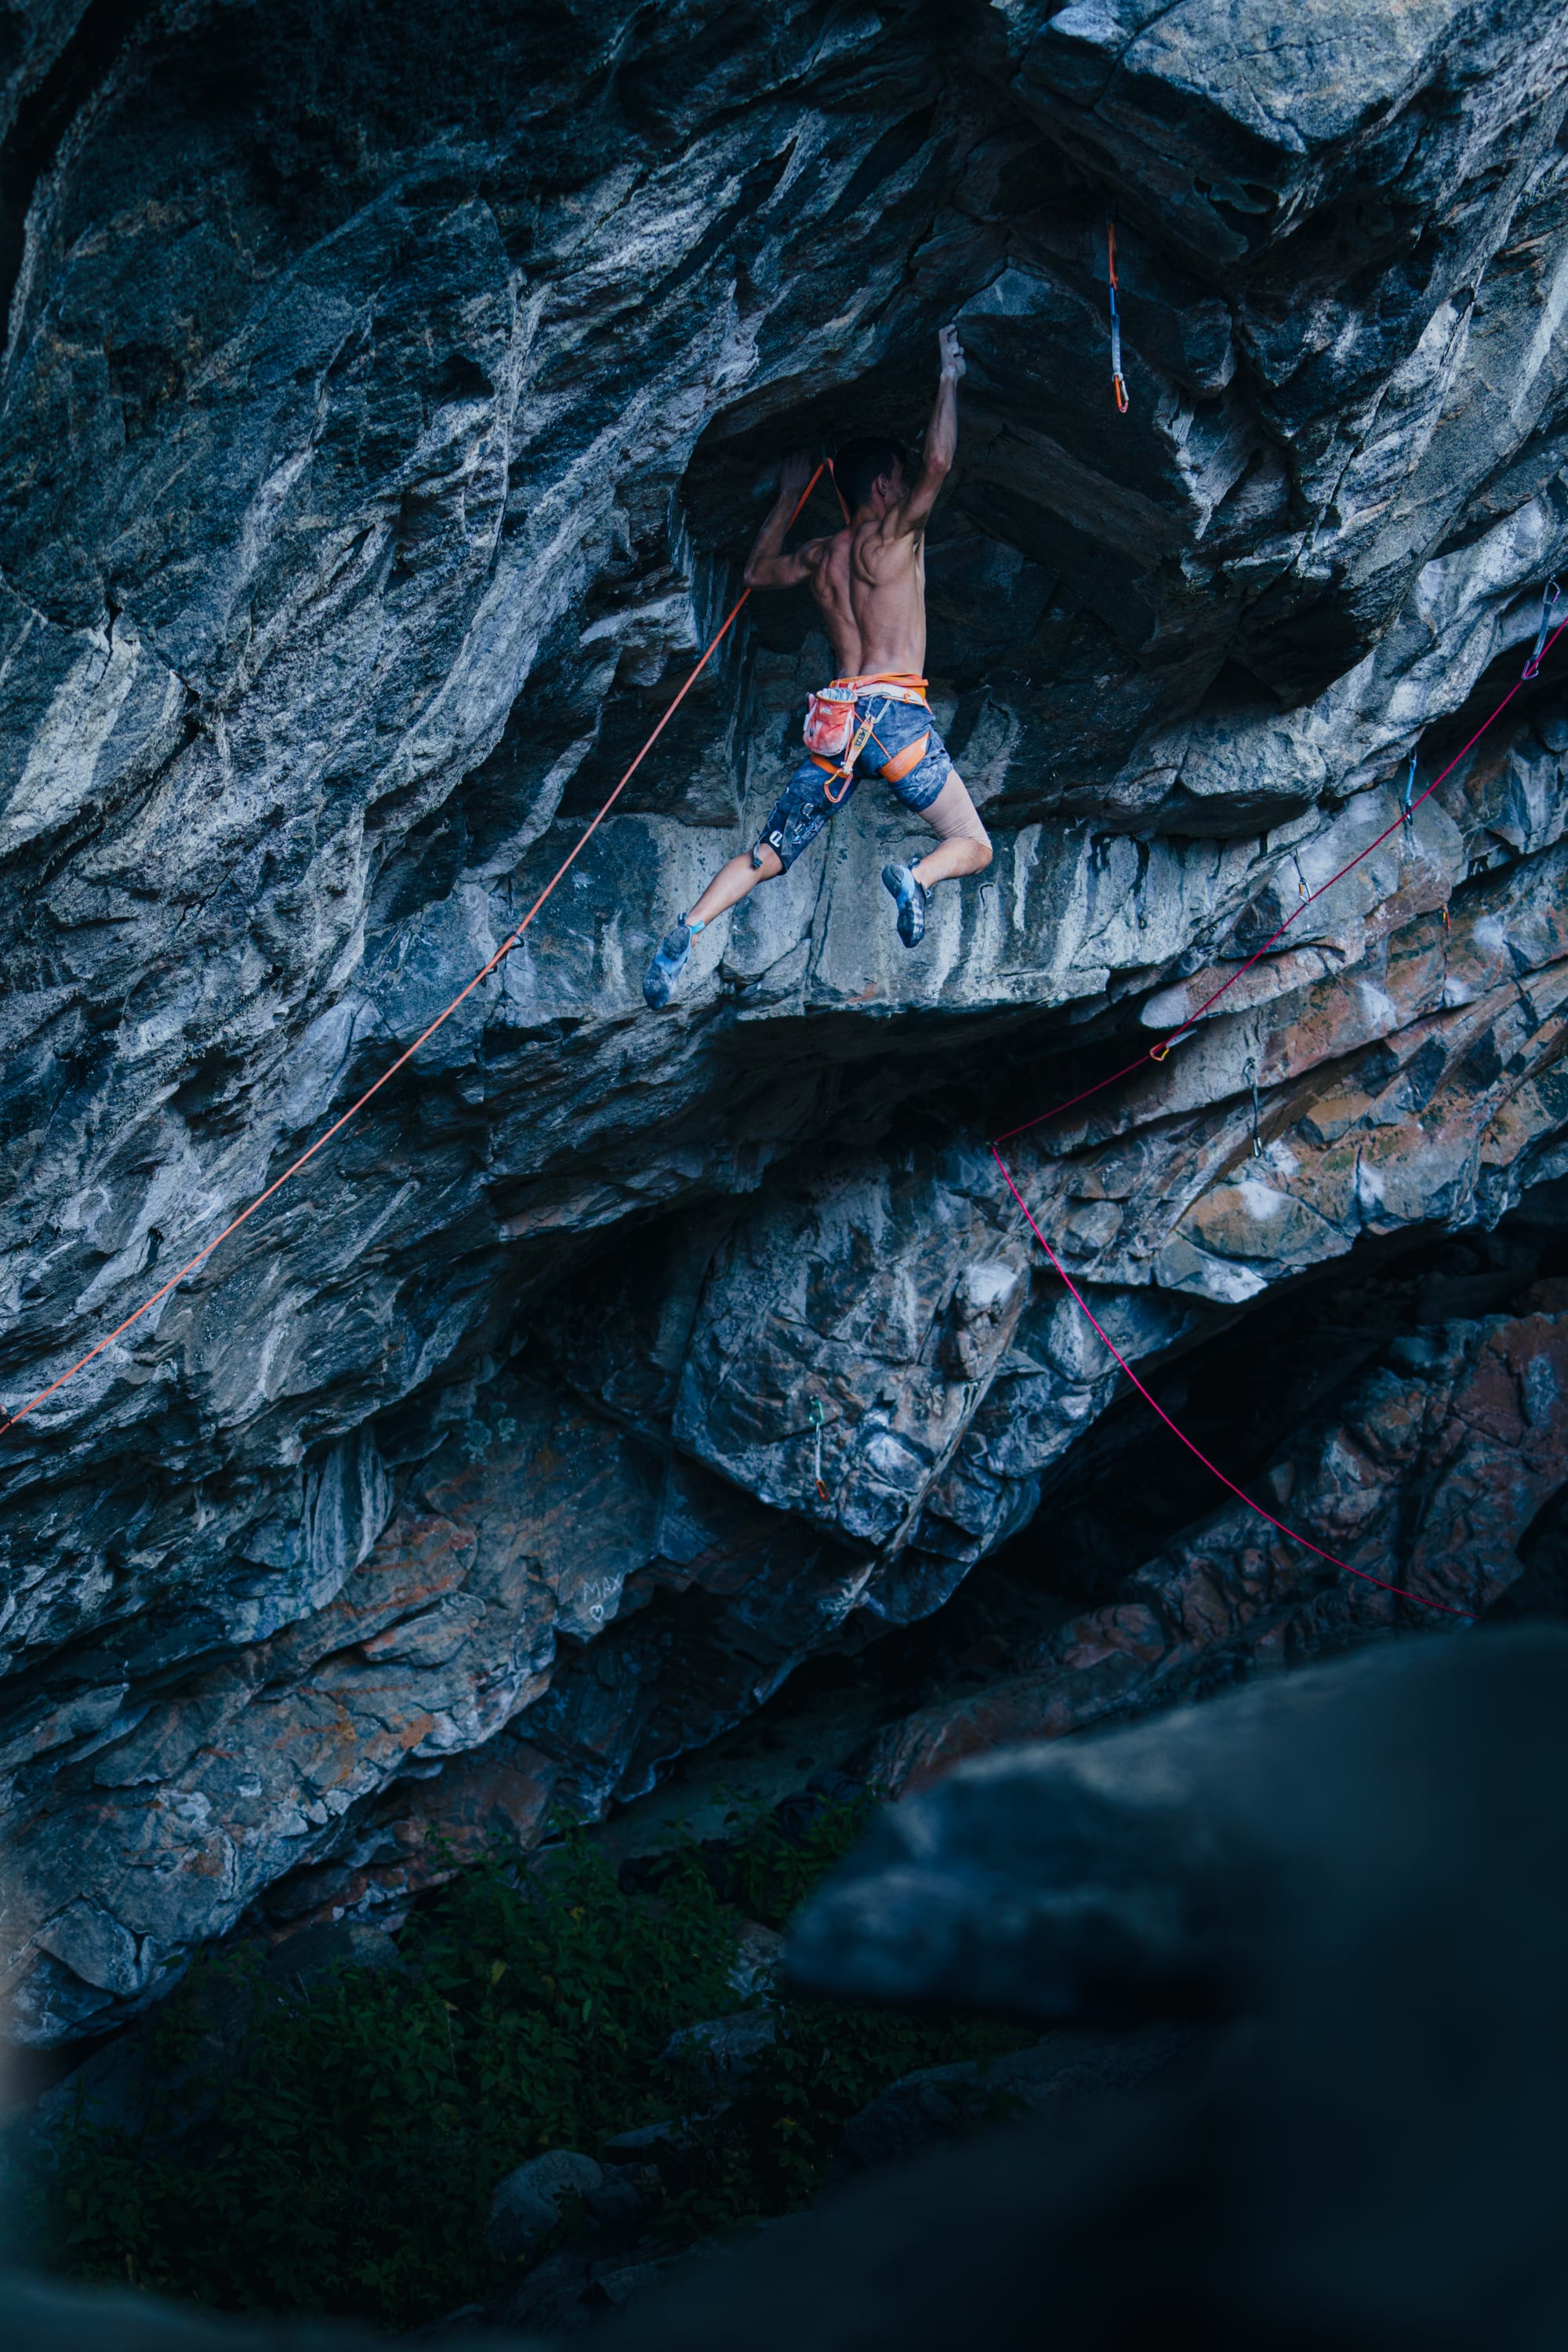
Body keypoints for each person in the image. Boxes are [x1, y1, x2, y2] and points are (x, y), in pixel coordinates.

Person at [643, 325, 993, 1010]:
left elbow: (755, 570)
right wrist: (948, 375)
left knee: (765, 856)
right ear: (887, 484)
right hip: (895, 720)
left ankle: (688, 929)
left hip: (836, 725)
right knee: (970, 841)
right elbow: (941, 462)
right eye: (901, 479)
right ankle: (917, 880)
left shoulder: (820, 557)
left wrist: (788, 494)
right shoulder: (895, 537)